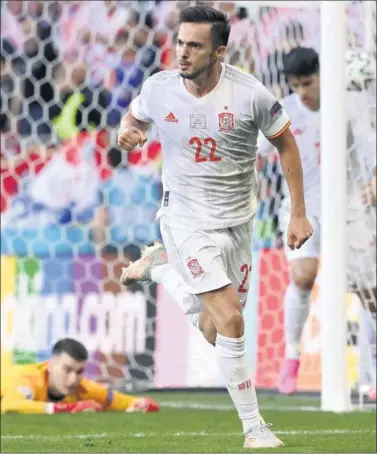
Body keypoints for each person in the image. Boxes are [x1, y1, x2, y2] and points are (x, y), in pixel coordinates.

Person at [117, 6, 312, 449]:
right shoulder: (160, 88)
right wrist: (125, 133)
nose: (182, 53)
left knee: (213, 328)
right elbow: (132, 120)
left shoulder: (249, 94)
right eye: (180, 42)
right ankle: (255, 429)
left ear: (219, 51)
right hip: (184, 218)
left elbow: (286, 145)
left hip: (238, 221)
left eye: (194, 46)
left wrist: (298, 212)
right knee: (231, 321)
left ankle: (160, 270)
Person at [256, 47, 376, 398]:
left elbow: (370, 152)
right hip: (300, 208)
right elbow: (256, 152)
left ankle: (371, 371)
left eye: (307, 82)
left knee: (369, 293)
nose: (302, 91)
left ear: (324, 74)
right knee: (304, 276)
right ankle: (292, 357)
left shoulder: (348, 106)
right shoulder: (286, 113)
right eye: (295, 85)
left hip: (351, 206)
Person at [1, 338, 160, 414]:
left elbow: (124, 401)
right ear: (50, 365)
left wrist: (140, 403)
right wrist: (67, 408)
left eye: (79, 372)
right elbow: (10, 406)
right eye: (67, 370)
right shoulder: (27, 379)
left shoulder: (83, 388)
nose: (73, 379)